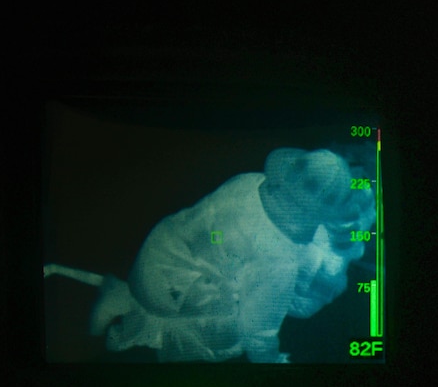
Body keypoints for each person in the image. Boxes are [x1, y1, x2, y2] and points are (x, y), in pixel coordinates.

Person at [89, 147, 375, 362]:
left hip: (156, 251)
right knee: (230, 331)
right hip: (171, 292)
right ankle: (149, 334)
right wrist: (271, 361)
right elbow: (257, 331)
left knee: (215, 279)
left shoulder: (248, 181)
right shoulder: (279, 260)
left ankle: (125, 308)